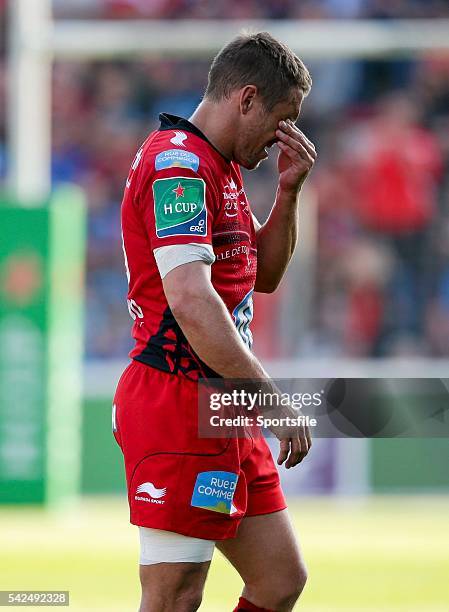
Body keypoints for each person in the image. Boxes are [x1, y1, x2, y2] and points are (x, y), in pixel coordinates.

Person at [113, 31, 316, 612]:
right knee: (175, 596)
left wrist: (288, 191)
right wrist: (272, 401)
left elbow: (264, 277)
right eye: (283, 117)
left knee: (279, 580)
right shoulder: (178, 162)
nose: (286, 135)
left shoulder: (221, 169)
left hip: (225, 403)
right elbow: (192, 299)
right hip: (179, 398)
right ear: (247, 99)